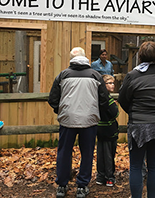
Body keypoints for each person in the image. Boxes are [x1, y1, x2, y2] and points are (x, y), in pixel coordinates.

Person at [48, 47, 109, 198]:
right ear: (86, 58)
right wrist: (97, 113)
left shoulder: (63, 75)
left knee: (64, 152)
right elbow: (104, 99)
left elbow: (52, 99)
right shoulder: (95, 75)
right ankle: (82, 186)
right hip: (89, 120)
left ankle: (62, 185)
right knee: (87, 153)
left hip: (67, 119)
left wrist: (61, 111)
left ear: (71, 59)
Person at [118, 41, 155, 198]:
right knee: (154, 166)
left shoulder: (132, 76)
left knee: (136, 165)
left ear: (140, 56)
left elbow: (123, 99)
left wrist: (133, 112)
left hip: (139, 125)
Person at [96, 74, 119, 187]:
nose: (112, 85)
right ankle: (109, 177)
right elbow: (115, 113)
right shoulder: (108, 99)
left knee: (101, 153)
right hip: (109, 129)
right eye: (109, 83)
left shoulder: (97, 98)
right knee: (109, 154)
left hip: (99, 129)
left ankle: (100, 176)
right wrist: (116, 107)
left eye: (113, 83)